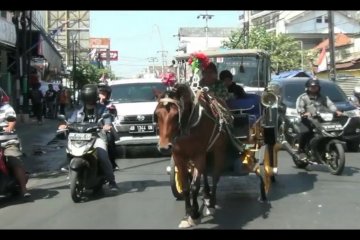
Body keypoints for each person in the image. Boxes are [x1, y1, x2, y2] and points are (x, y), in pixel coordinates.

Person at [58, 84, 119, 192]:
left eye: (90, 98)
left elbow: (107, 120)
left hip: (97, 137)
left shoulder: (102, 109)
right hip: (80, 136)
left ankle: (111, 181)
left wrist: (106, 126)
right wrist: (64, 125)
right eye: (87, 98)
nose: (89, 101)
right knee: (69, 149)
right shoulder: (78, 110)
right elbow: (70, 121)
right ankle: (70, 168)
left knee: (103, 156)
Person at [296, 78, 342, 158]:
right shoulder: (303, 97)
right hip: (307, 120)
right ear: (307, 87)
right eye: (312, 87)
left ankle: (323, 147)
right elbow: (300, 107)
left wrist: (336, 111)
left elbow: (330, 105)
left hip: (321, 120)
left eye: (316, 86)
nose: (314, 88)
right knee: (305, 132)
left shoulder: (323, 97)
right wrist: (304, 113)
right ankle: (301, 150)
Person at [0, 91, 31, 198]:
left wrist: (9, 127)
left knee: (14, 160)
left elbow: (12, 120)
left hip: (7, 142)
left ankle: (24, 189)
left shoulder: (7, 108)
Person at [98, 83, 119, 171]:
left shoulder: (109, 105)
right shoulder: (91, 104)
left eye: (104, 93)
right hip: (90, 128)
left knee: (110, 139)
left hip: (104, 128)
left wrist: (107, 125)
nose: (102, 95)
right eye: (100, 93)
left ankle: (112, 162)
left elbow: (112, 115)